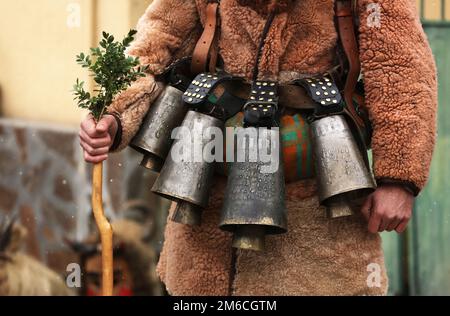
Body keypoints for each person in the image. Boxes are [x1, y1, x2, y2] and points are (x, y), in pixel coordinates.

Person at [79, 0, 437, 295]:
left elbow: (401, 69)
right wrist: (115, 114)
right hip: (206, 217)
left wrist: (398, 179)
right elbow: (155, 43)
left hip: (316, 218)